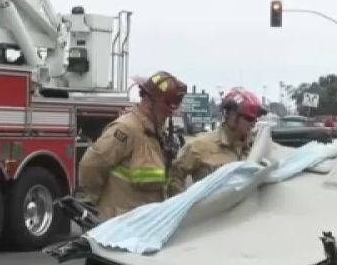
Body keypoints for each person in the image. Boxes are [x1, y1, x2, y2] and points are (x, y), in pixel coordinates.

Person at [77, 70, 187, 219]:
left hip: (144, 226)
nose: (169, 115)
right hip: (119, 226)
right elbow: (91, 165)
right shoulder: (126, 129)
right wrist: (97, 203)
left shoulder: (154, 134)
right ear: (149, 102)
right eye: (165, 109)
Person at [167, 87, 263, 195]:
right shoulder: (200, 145)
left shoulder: (256, 148)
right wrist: (186, 206)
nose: (253, 124)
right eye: (249, 118)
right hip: (210, 210)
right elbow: (175, 175)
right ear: (231, 116)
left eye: (255, 119)